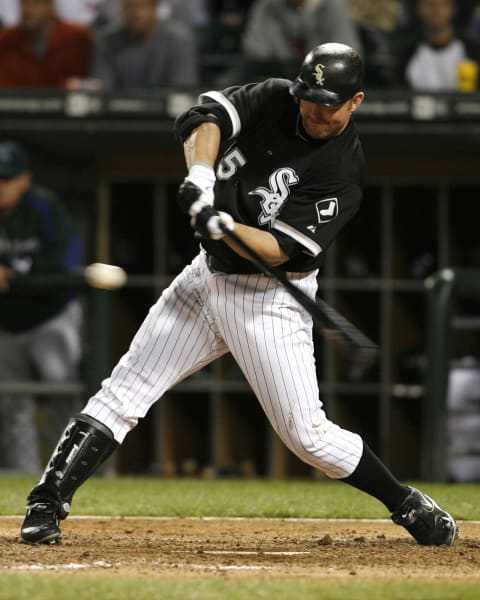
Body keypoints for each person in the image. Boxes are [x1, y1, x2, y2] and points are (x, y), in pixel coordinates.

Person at [20, 43, 457, 547]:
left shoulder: (342, 170)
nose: (314, 110)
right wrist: (202, 178)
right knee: (125, 390)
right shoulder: (275, 98)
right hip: (206, 277)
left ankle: (405, 502)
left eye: (328, 102)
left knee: (307, 437)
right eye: (308, 97)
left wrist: (223, 224)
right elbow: (203, 117)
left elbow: (276, 249)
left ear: (355, 101)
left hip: (268, 300)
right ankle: (46, 501)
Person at [0, 141, 83, 473]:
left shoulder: (45, 209)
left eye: (6, 178)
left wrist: (14, 274)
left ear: (24, 180)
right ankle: (23, 479)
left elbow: (66, 262)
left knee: (61, 384)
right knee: (10, 403)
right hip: (7, 323)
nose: (0, 186)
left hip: (51, 316)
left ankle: (67, 471)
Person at [90, 0, 199, 90]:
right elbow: (103, 89)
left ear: (154, 8)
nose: (134, 13)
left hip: (167, 115)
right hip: (116, 114)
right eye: (128, 7)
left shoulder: (179, 40)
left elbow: (183, 89)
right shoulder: (107, 41)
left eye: (140, 7)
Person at [240, 0, 362, 79]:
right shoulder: (268, 6)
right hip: (279, 78)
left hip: (324, 80)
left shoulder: (331, 5)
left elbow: (349, 54)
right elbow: (255, 50)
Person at [0, 0, 94, 89]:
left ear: (50, 6)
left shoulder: (78, 39)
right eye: (24, 3)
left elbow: (90, 84)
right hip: (18, 104)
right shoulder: (6, 40)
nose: (27, 10)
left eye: (35, 3)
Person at [392, 0, 480, 91]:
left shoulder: (473, 51)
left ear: (453, 9)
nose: (437, 10)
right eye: (430, 5)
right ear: (418, 9)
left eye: (443, 5)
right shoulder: (404, 54)